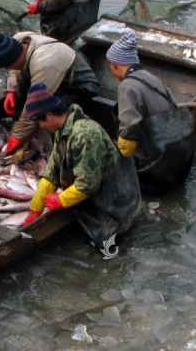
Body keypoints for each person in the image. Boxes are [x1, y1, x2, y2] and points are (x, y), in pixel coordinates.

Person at [20, 84, 140, 247]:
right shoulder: (62, 132)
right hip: (94, 193)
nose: (40, 127)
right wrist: (35, 210)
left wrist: (61, 199)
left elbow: (88, 184)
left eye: (40, 121)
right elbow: (51, 174)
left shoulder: (85, 135)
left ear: (50, 115)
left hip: (115, 201)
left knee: (104, 243)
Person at [106, 33, 195, 194]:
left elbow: (130, 128)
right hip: (182, 158)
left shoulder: (128, 86)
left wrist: (119, 163)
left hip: (159, 165)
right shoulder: (151, 78)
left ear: (115, 65)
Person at [0, 32, 100, 153]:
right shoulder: (18, 40)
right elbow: (15, 70)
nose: (8, 69)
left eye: (8, 66)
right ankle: (29, 130)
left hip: (77, 82)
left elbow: (37, 103)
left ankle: (57, 145)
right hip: (51, 71)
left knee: (52, 113)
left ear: (17, 57)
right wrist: (11, 90)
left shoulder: (44, 63)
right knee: (22, 95)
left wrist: (18, 136)